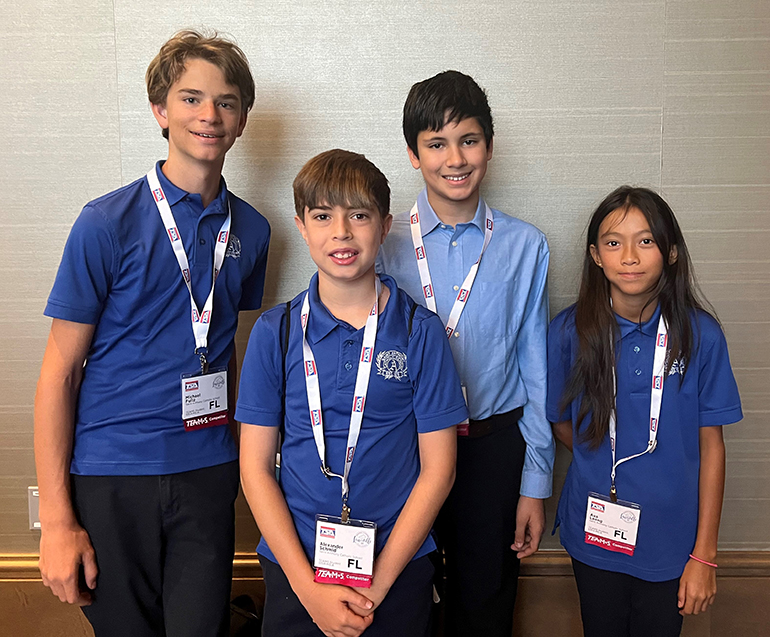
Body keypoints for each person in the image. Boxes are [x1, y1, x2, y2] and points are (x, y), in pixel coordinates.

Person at [34, 30, 270, 637]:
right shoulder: (105, 222)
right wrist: (58, 521)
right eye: (191, 98)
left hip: (209, 472)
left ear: (242, 119)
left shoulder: (254, 230)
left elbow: (223, 347)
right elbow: (60, 371)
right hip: (112, 474)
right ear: (160, 112)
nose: (209, 115)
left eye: (226, 101)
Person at [237, 149, 466, 637]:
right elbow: (255, 468)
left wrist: (377, 588)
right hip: (296, 567)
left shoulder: (420, 333)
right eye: (322, 216)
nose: (341, 232)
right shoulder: (274, 333)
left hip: (396, 568)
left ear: (384, 227)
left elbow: (439, 471)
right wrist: (307, 589)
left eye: (358, 215)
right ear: (301, 226)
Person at [377, 70, 554, 636]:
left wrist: (535, 480)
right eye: (436, 143)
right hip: (404, 449)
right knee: (404, 594)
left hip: (491, 448)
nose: (455, 158)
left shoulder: (525, 245)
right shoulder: (380, 239)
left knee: (486, 597)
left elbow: (537, 372)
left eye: (469, 140)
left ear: (489, 148)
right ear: (412, 154)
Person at [547, 186, 743, 637]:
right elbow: (559, 422)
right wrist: (606, 460)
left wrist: (705, 555)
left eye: (646, 241)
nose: (629, 256)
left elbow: (711, 447)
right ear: (596, 256)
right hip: (594, 529)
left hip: (671, 538)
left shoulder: (701, 335)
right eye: (614, 243)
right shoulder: (568, 332)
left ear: (671, 252)